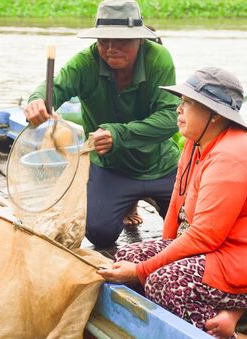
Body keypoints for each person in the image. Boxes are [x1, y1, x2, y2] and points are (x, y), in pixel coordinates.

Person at [97, 67, 247, 338]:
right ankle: (224, 313)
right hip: (231, 253)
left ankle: (233, 335)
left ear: (214, 115)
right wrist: (151, 259)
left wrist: (143, 271)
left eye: (188, 103)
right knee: (128, 256)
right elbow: (177, 202)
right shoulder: (196, 143)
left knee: (165, 283)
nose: (179, 109)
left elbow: (204, 237)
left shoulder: (231, 156)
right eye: (181, 101)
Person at [24, 0, 180, 248]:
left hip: (158, 163)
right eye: (103, 40)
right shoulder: (86, 62)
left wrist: (117, 135)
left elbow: (172, 118)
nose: (110, 48)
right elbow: (55, 87)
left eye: (121, 41)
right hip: (111, 167)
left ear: (140, 39)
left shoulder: (158, 59)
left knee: (185, 227)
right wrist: (37, 101)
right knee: (99, 233)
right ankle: (127, 199)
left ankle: (145, 195)